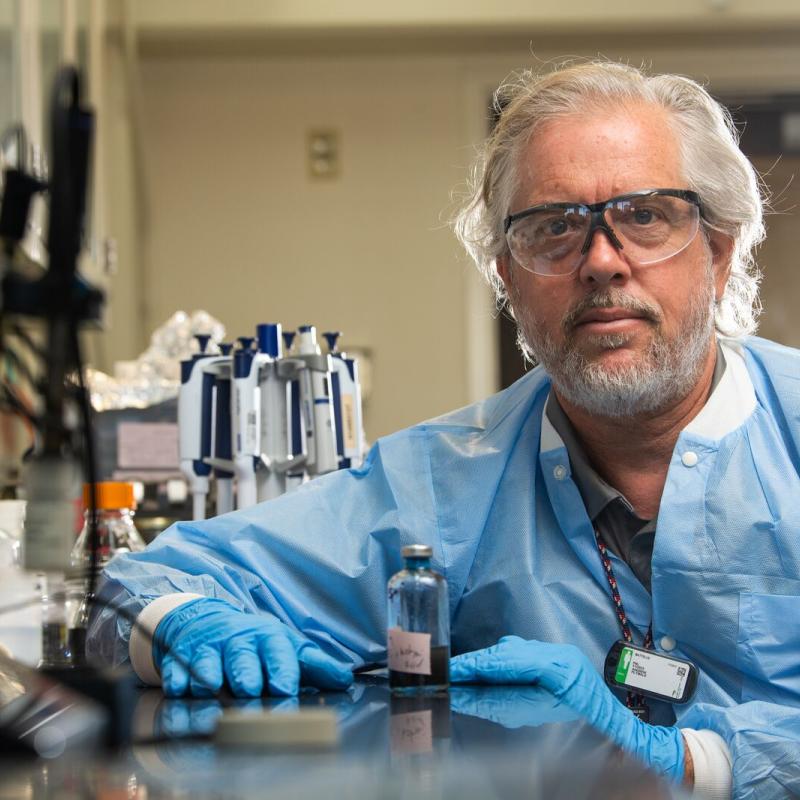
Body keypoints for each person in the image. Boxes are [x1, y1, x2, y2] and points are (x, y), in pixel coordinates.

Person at [88, 61, 800, 799]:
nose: (600, 261)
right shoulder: (448, 480)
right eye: (554, 228)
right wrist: (184, 619)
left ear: (719, 252)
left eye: (645, 216)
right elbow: (136, 584)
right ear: (507, 279)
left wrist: (696, 766)